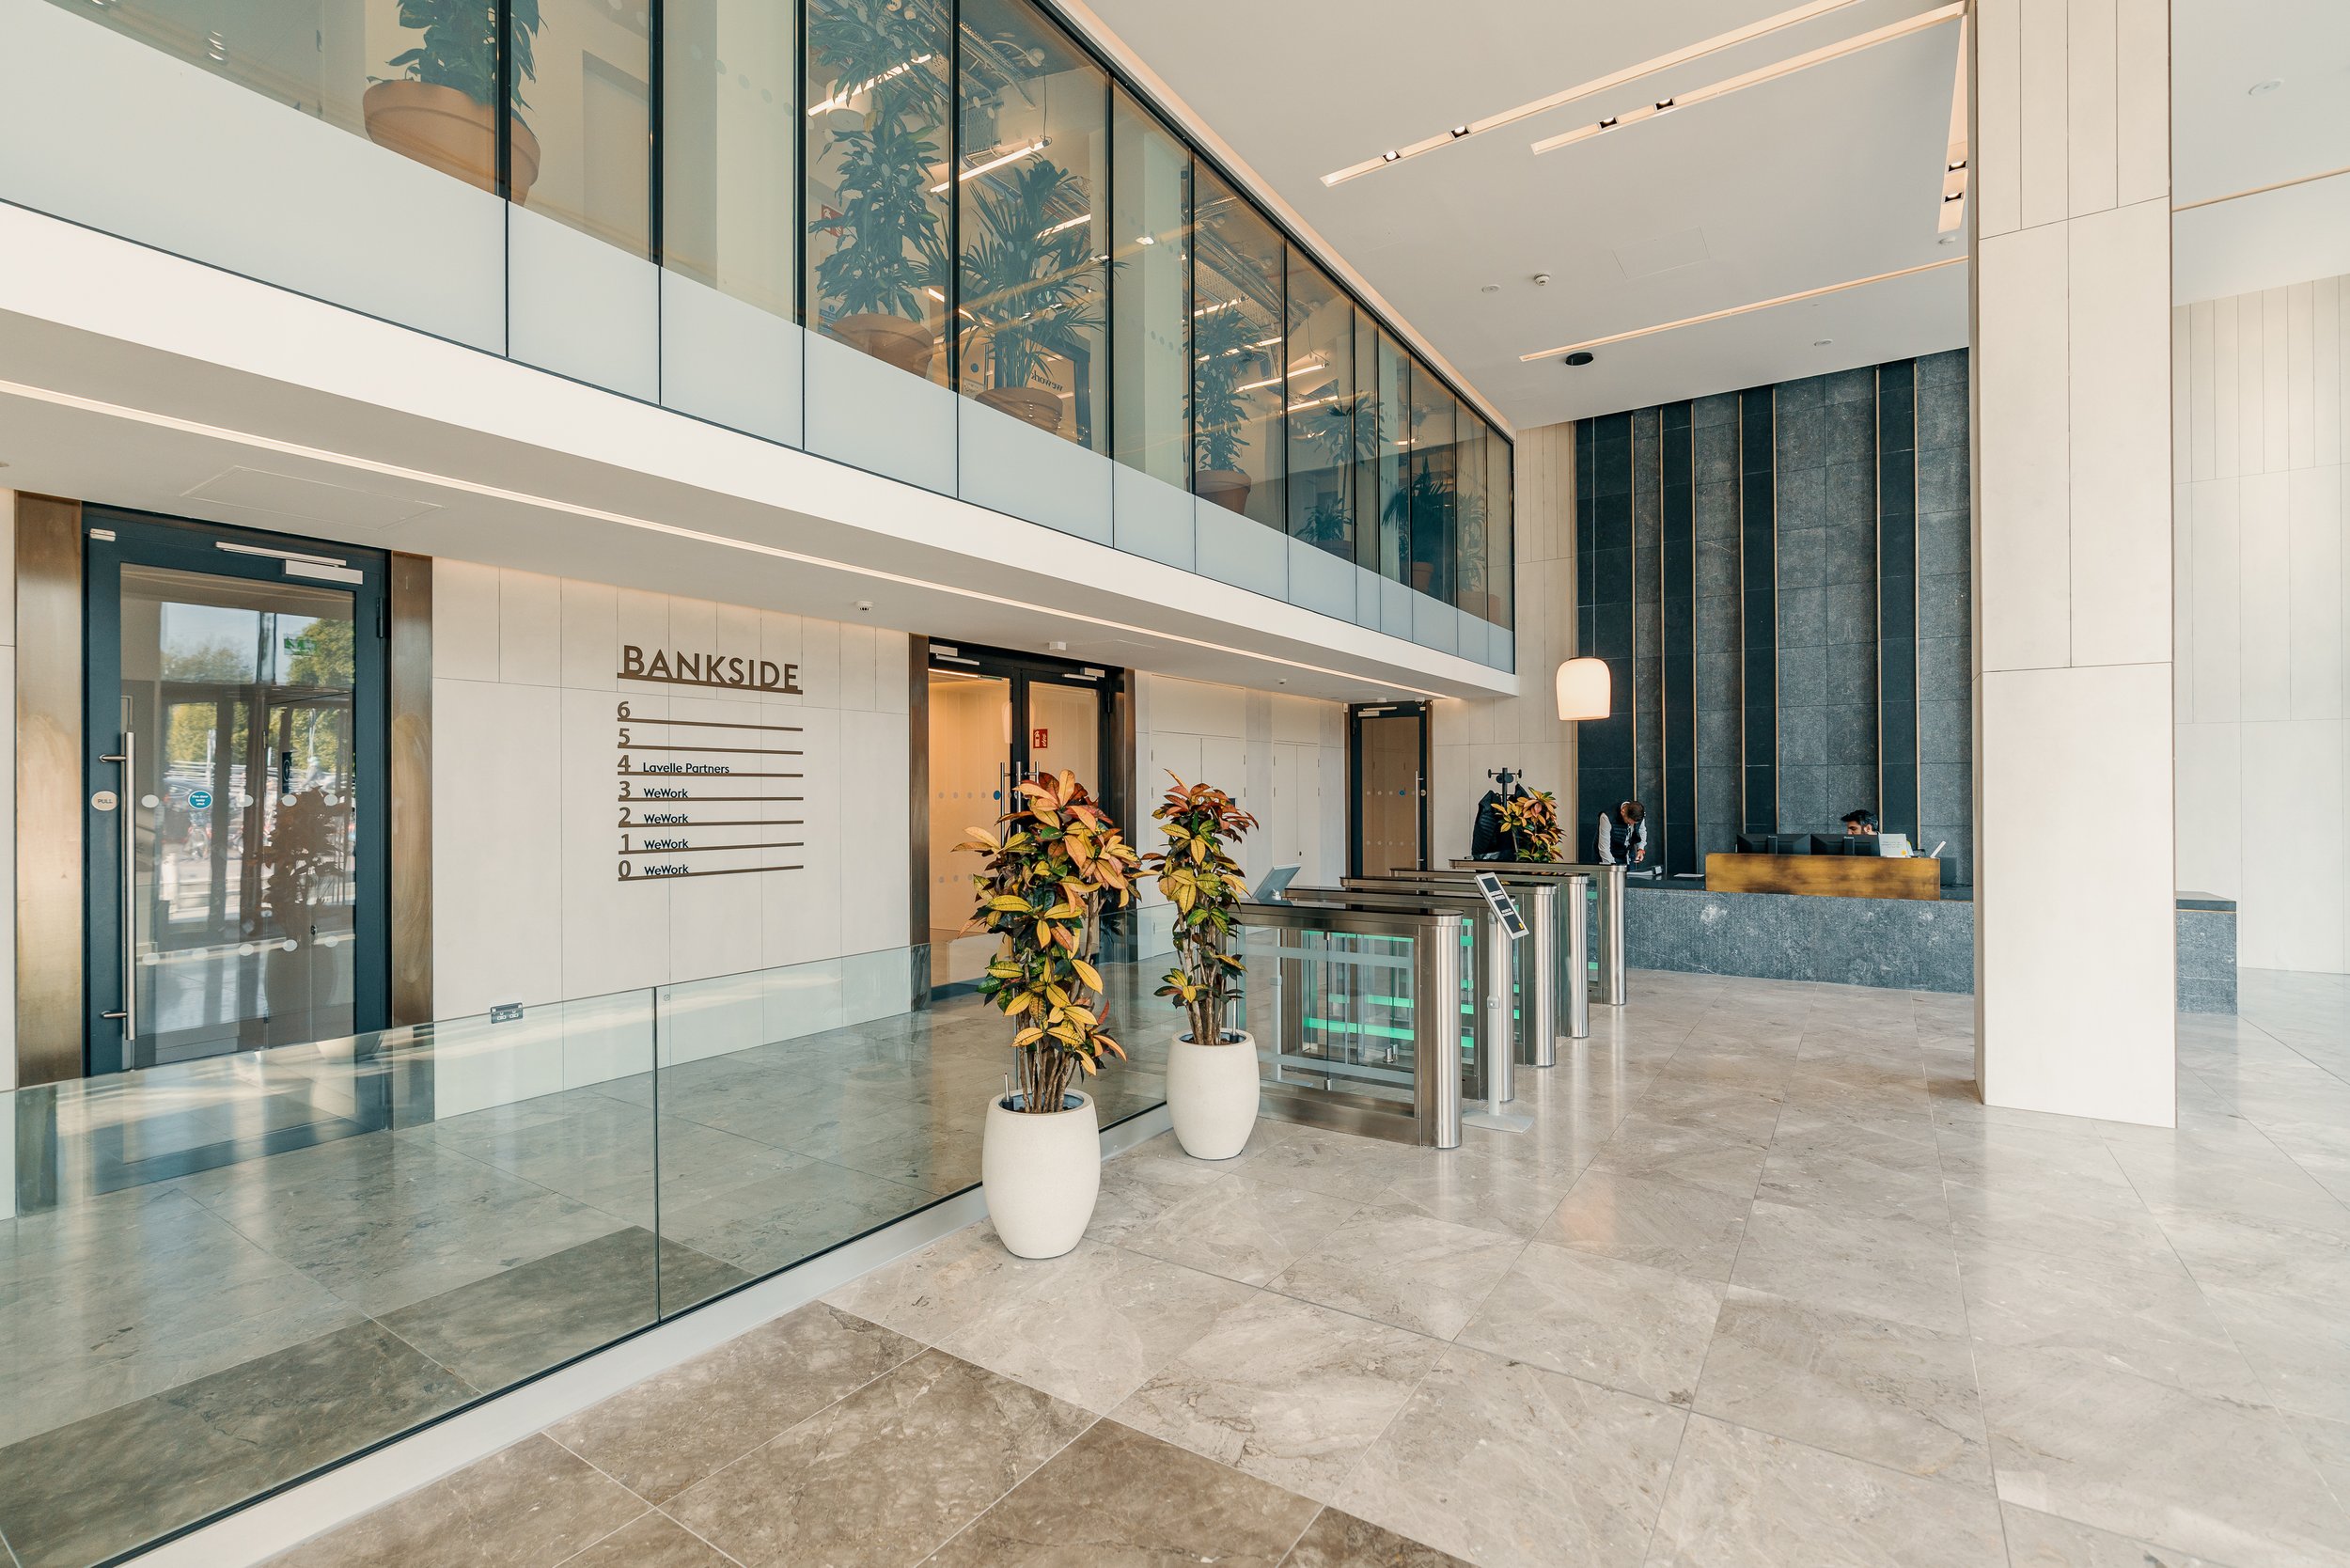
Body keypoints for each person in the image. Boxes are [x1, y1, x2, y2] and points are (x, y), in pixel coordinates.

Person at [1594, 800, 1646, 869]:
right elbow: (1604, 848)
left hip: (1628, 855)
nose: (1632, 825)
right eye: (1629, 822)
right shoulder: (1606, 816)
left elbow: (1641, 831)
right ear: (1623, 812)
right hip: (1607, 855)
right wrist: (1613, 868)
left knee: (1631, 878)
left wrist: (1641, 849)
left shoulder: (1639, 814)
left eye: (1634, 823)